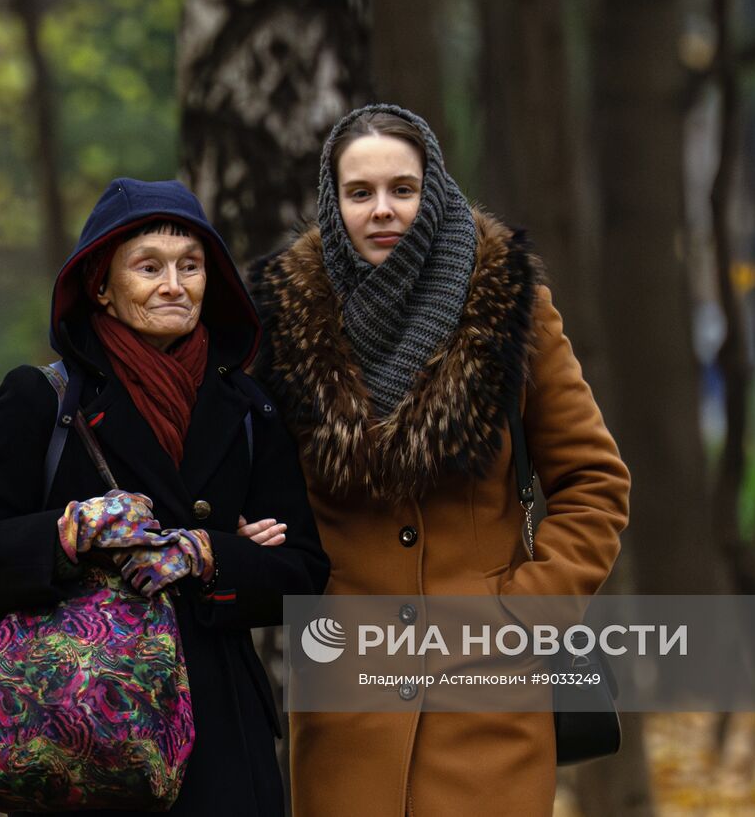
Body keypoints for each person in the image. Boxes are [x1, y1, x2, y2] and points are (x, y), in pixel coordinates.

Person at [248, 104, 631, 816]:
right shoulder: (284, 327)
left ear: (435, 191)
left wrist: (525, 611)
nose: (383, 210)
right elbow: (253, 483)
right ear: (332, 205)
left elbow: (595, 483)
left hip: (490, 701)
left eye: (403, 188)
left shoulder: (511, 307)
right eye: (359, 193)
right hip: (344, 711)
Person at [0, 177, 329, 816]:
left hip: (223, 738)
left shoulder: (251, 409)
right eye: (150, 267)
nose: (175, 285)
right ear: (101, 286)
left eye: (191, 266)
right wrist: (72, 533)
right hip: (84, 735)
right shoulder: (43, 401)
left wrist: (208, 554)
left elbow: (305, 572)